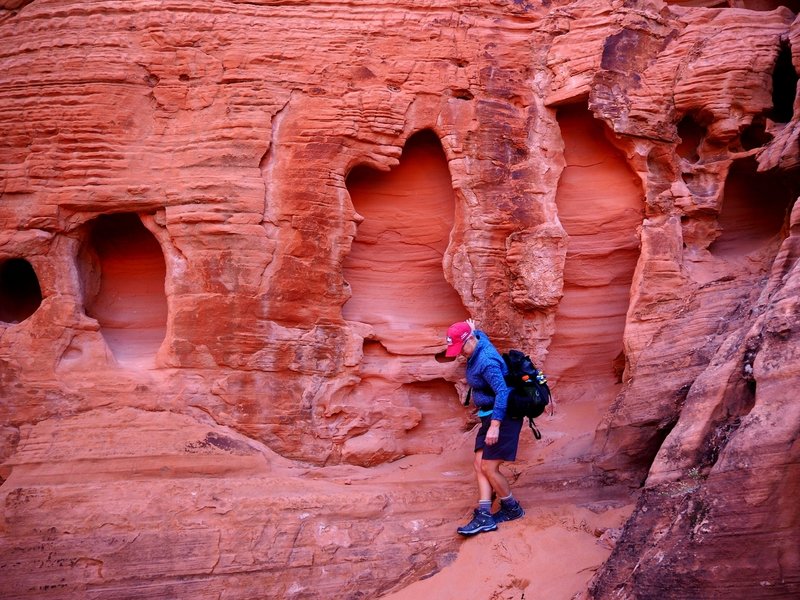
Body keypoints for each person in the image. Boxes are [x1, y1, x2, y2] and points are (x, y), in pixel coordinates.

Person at [445, 319, 525, 536]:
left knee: (489, 467)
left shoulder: (487, 360)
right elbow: (477, 334)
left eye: (461, 348)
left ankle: (512, 508)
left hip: (503, 417)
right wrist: (473, 327)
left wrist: (496, 425)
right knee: (479, 463)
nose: (460, 353)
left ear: (471, 340)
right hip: (488, 415)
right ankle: (484, 514)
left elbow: (502, 392)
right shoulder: (477, 340)